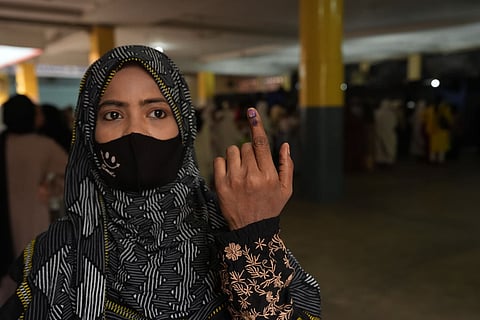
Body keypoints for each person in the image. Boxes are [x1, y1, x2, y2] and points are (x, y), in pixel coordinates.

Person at [0, 45, 321, 319]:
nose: (134, 132)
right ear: (88, 134)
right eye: (113, 115)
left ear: (183, 127)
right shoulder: (53, 255)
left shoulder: (232, 230)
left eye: (156, 113)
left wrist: (255, 235)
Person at [0, 94, 68, 304]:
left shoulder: (4, 142)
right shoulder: (43, 146)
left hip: (6, 222)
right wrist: (52, 189)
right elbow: (72, 173)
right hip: (33, 215)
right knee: (32, 271)